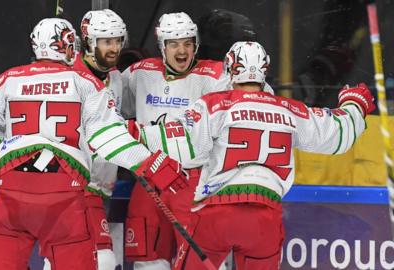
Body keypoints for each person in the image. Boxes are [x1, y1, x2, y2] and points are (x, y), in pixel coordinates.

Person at [0, 17, 187, 270]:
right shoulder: (85, 83)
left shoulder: (8, 80)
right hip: (65, 197)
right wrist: (151, 163)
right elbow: (111, 138)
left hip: (11, 194)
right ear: (70, 46)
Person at [137, 41, 375, 269]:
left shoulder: (215, 104)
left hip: (216, 213)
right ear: (264, 69)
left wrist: (133, 133)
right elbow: (338, 135)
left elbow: (183, 146)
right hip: (265, 219)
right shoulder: (289, 109)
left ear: (230, 67)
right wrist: (354, 105)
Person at [121, 12, 232, 270]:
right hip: (147, 179)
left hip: (193, 181)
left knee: (202, 261)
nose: (181, 50)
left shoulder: (216, 76)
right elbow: (109, 105)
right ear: (163, 47)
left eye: (187, 43)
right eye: (174, 44)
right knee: (147, 262)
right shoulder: (140, 73)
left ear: (196, 45)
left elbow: (257, 95)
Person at [78, 9, 127, 270]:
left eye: (118, 41)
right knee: (101, 258)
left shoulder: (116, 78)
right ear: (89, 42)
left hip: (102, 188)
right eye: (107, 41)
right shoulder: (70, 76)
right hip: (74, 187)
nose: (115, 48)